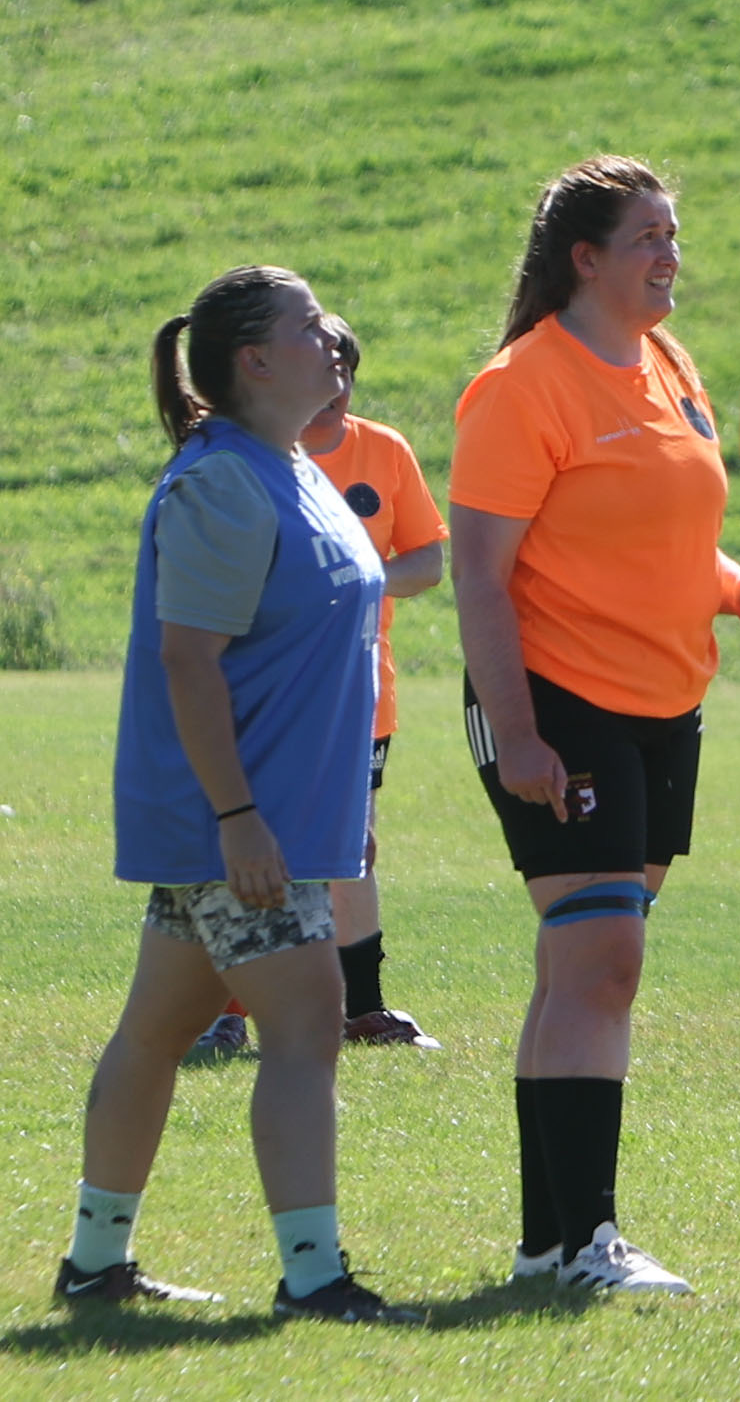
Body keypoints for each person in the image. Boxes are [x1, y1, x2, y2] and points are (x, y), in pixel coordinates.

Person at [451, 156, 740, 1297]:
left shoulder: (668, 363)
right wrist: (519, 729)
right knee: (604, 959)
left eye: (674, 232)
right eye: (647, 234)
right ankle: (591, 1241)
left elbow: (664, 540)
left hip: (664, 702)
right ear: (583, 257)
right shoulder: (522, 383)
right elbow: (481, 576)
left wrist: (735, 588)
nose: (669, 253)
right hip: (559, 701)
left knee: (580, 966)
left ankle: (548, 1243)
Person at [58, 264, 416, 1325]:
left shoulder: (291, 463)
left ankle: (92, 1264)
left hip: (273, 820)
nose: (332, 341)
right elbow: (188, 660)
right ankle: (313, 1277)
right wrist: (238, 817)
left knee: (157, 1029)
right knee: (307, 1026)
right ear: (254, 359)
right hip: (241, 823)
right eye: (310, 327)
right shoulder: (221, 479)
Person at [302, 317, 449, 1047]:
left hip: (363, 693)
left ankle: (362, 1006)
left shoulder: (384, 450)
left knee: (351, 845)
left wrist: (368, 583)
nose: (333, 389)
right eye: (320, 371)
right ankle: (225, 1012)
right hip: (271, 692)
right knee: (256, 837)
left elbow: (428, 558)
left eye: (344, 374)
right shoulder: (254, 455)